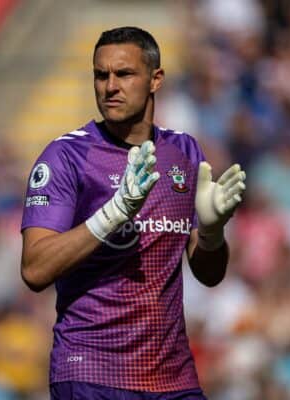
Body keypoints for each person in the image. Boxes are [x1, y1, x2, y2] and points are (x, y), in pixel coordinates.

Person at [20, 26, 246, 399]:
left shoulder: (185, 152)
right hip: (93, 372)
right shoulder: (67, 157)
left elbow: (209, 274)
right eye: (100, 74)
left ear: (155, 79)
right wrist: (114, 212)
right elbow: (34, 268)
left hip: (173, 378)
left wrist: (211, 231)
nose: (110, 86)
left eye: (124, 74)